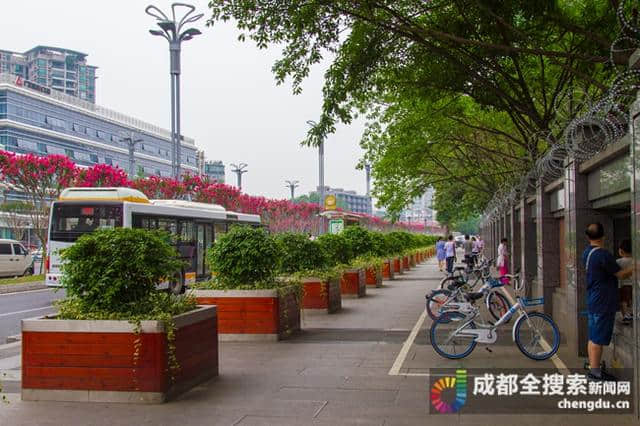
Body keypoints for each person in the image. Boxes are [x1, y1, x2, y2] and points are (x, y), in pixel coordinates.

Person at [582, 223, 633, 381]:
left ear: (588, 237)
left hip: (594, 300)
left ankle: (594, 367)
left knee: (593, 337)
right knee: (598, 339)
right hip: (603, 302)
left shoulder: (587, 253)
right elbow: (621, 275)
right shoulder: (603, 255)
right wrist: (634, 266)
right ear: (603, 237)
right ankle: (595, 373)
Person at [617, 239, 633, 325]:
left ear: (621, 250)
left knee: (623, 301)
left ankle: (625, 316)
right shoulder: (636, 261)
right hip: (634, 285)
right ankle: (632, 313)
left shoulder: (618, 262)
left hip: (624, 285)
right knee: (631, 300)